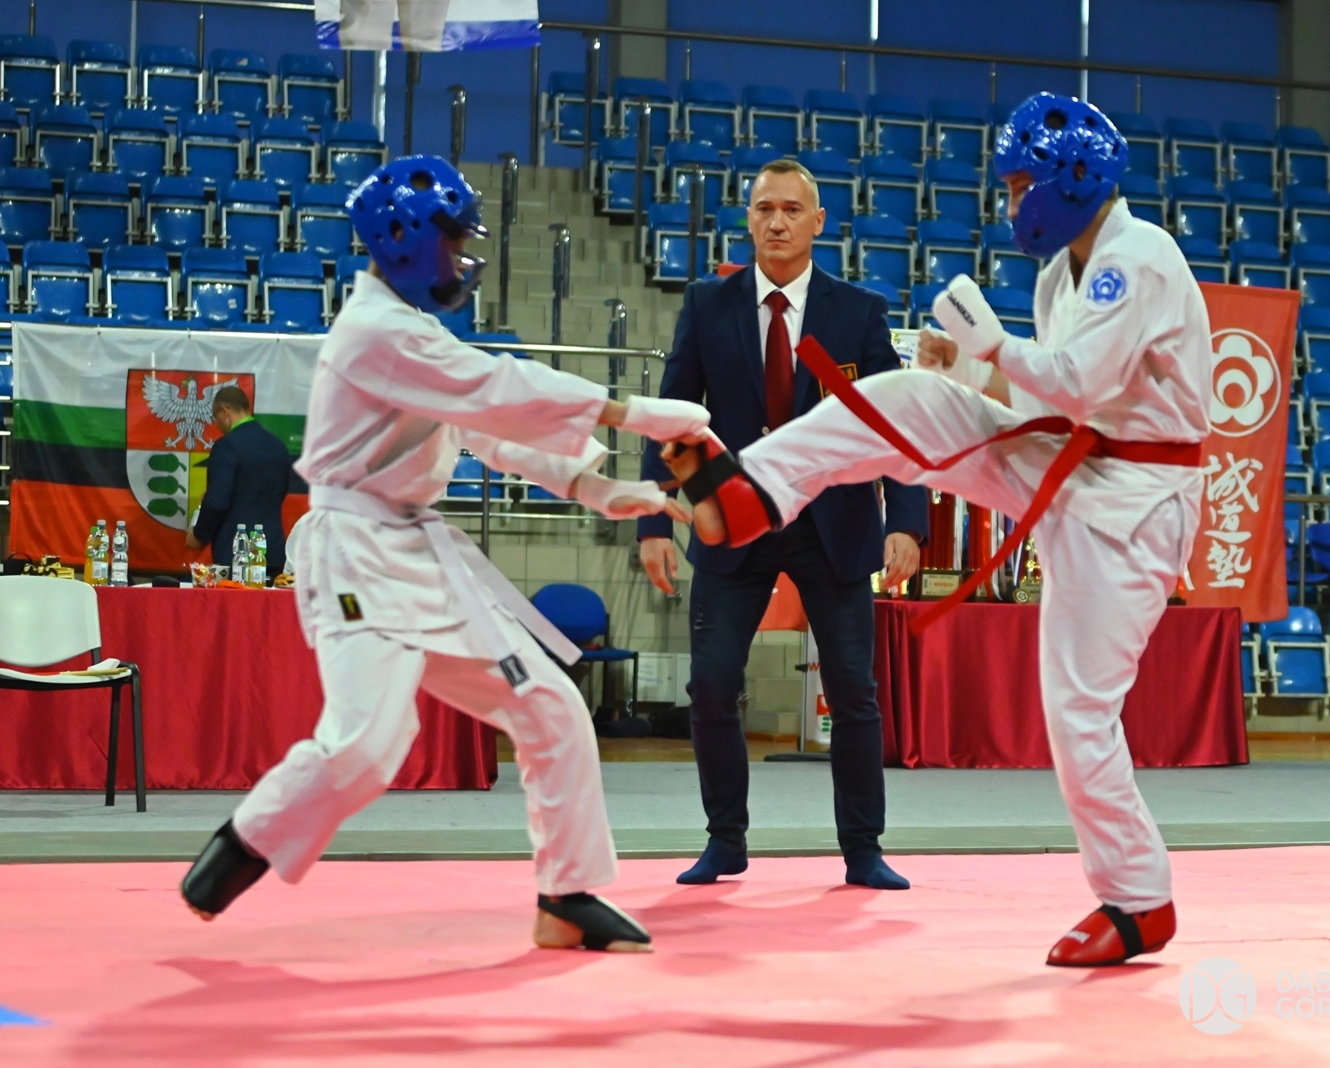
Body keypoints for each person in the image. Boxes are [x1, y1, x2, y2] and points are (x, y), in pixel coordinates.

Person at [662, 94, 1211, 966]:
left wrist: (993, 349)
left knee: (1078, 711)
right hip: (1073, 462)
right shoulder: (1060, 274)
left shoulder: (1136, 258)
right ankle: (755, 490)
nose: (1011, 202)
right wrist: (968, 373)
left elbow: (1076, 384)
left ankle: (1139, 901)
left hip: (1136, 502)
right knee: (911, 396)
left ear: (1071, 180)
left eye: (1021, 184)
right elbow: (1048, 397)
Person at [180, 156, 713, 954]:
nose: (463, 257)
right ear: (406, 240)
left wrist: (598, 488)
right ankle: (244, 843)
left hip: (415, 550)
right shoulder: (376, 333)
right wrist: (630, 412)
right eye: (454, 241)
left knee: (551, 707)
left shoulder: (416, 335)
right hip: (355, 551)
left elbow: (483, 428)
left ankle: (567, 894)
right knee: (367, 743)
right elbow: (495, 389)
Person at [638, 159, 928, 891]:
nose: (777, 221)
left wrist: (907, 520)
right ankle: (724, 839)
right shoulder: (708, 303)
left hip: (835, 521)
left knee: (854, 692)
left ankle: (863, 849)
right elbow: (673, 413)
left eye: (792, 209)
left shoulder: (858, 311)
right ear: (749, 217)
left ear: (818, 222)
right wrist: (652, 521)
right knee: (711, 685)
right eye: (764, 208)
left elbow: (892, 418)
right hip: (735, 520)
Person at [185, 386, 294, 577]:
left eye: (215, 417)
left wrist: (198, 535)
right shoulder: (278, 447)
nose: (217, 425)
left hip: (237, 557)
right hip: (273, 555)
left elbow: (217, 502)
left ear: (224, 411)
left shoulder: (227, 446)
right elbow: (279, 494)